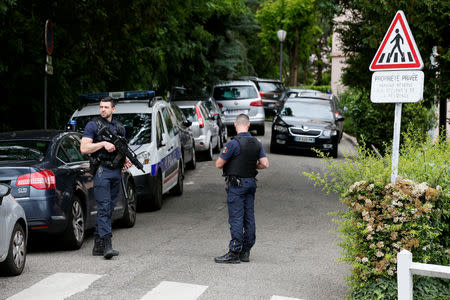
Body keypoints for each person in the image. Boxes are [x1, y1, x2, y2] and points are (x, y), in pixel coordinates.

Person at [80, 96, 132, 259]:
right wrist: (102, 144)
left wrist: (126, 160)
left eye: (106, 107)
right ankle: (107, 245)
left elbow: (121, 149)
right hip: (101, 171)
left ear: (113, 109)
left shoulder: (119, 127)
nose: (103, 109)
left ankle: (98, 245)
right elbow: (84, 148)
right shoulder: (93, 125)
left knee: (108, 210)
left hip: (116, 172)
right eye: (101, 107)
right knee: (103, 207)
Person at [214, 114, 269, 263]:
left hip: (237, 185)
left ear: (235, 125)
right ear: (249, 125)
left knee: (236, 218)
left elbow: (219, 164)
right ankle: (246, 251)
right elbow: (265, 164)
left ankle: (234, 252)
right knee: (249, 217)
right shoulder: (256, 143)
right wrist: (252, 165)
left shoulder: (233, 144)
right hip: (251, 183)